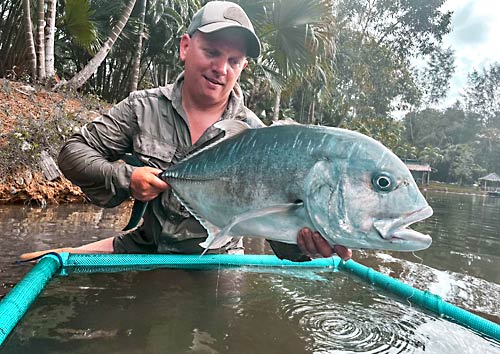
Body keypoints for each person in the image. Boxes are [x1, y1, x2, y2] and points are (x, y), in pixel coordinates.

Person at [55, 1, 351, 262]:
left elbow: (278, 236)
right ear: (186, 47)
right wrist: (127, 178)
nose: (221, 68)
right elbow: (73, 153)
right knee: (47, 264)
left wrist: (304, 246)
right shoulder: (142, 107)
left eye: (234, 61)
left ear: (242, 67)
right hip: (144, 246)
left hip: (219, 261)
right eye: (212, 52)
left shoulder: (258, 139)